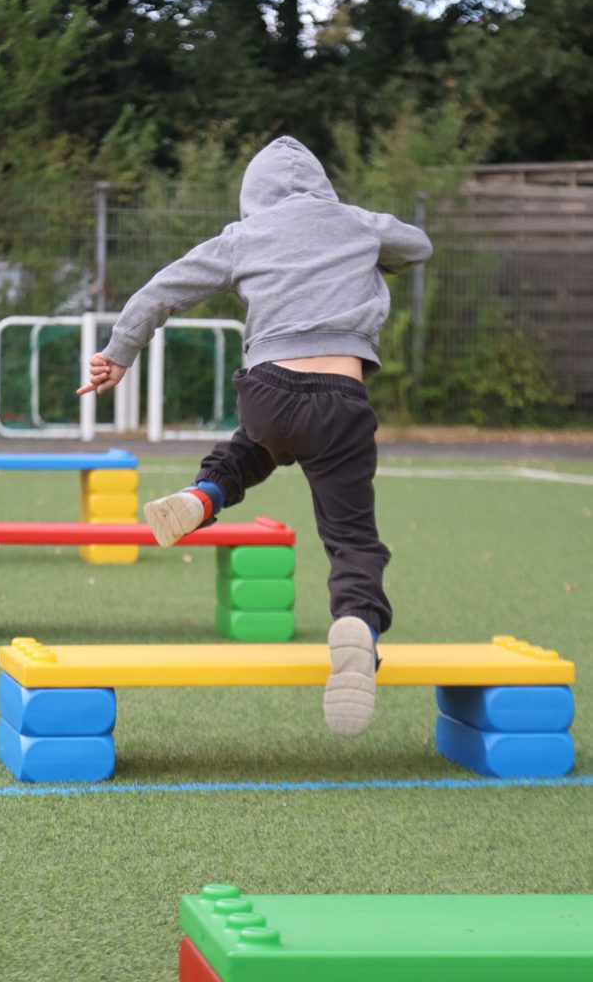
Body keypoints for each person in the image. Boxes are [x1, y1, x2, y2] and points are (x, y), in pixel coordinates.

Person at [78, 135, 432, 738]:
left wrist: (118, 355)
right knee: (352, 541)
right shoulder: (356, 222)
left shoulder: (241, 237)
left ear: (252, 197)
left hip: (266, 394)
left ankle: (202, 496)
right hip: (341, 402)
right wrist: (373, 250)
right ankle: (355, 624)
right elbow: (418, 246)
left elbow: (159, 292)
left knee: (251, 445)